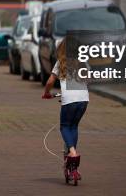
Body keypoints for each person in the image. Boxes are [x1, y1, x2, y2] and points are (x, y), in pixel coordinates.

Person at [42, 38, 89, 181]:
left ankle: (73, 153)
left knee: (64, 127)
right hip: (83, 99)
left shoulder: (60, 63)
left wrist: (46, 93)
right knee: (73, 127)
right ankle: (73, 165)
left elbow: (50, 81)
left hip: (70, 99)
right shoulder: (83, 62)